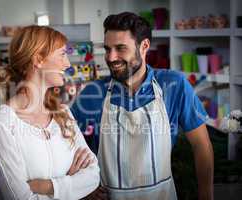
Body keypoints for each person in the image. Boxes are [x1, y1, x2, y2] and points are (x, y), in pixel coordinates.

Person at [71, 12, 214, 200]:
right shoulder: (92, 94)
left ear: (144, 46)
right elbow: (67, 149)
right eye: (107, 49)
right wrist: (81, 190)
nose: (111, 57)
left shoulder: (174, 85)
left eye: (120, 48)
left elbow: (201, 145)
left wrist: (206, 196)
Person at [0, 25, 100, 200]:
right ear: (38, 59)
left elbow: (93, 175)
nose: (68, 63)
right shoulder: (2, 125)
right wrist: (70, 181)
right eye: (62, 54)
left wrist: (47, 186)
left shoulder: (63, 112)